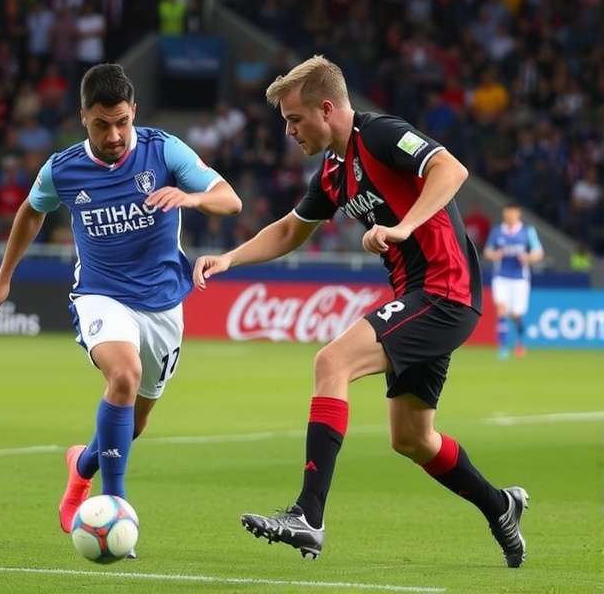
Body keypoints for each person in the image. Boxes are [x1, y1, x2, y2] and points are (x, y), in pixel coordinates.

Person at [194, 56, 528, 567]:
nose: (288, 131)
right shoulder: (332, 172)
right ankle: (500, 505)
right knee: (412, 439)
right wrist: (231, 258)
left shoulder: (380, 135)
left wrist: (403, 227)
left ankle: (308, 516)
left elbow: (450, 168)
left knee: (332, 361)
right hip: (423, 296)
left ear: (326, 109)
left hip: (444, 290)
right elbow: (288, 229)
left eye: (294, 119)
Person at [0, 64, 241, 548]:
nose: (115, 134)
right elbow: (31, 212)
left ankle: (81, 466)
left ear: (134, 111)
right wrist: (3, 279)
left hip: (163, 301)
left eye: (122, 121)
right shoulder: (62, 168)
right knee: (123, 375)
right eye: (102, 124)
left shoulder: (164, 150)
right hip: (101, 293)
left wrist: (190, 196)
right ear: (83, 118)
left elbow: (230, 199)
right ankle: (116, 508)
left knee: (135, 423)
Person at [484, 203, 543, 359]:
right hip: (501, 277)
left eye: (512, 213)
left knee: (517, 315)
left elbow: (538, 252)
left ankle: (519, 341)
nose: (509, 215)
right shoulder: (497, 231)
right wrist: (494, 255)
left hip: (520, 279)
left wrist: (528, 257)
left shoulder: (527, 232)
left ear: (518, 213)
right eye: (507, 213)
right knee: (501, 310)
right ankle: (502, 348)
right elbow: (487, 251)